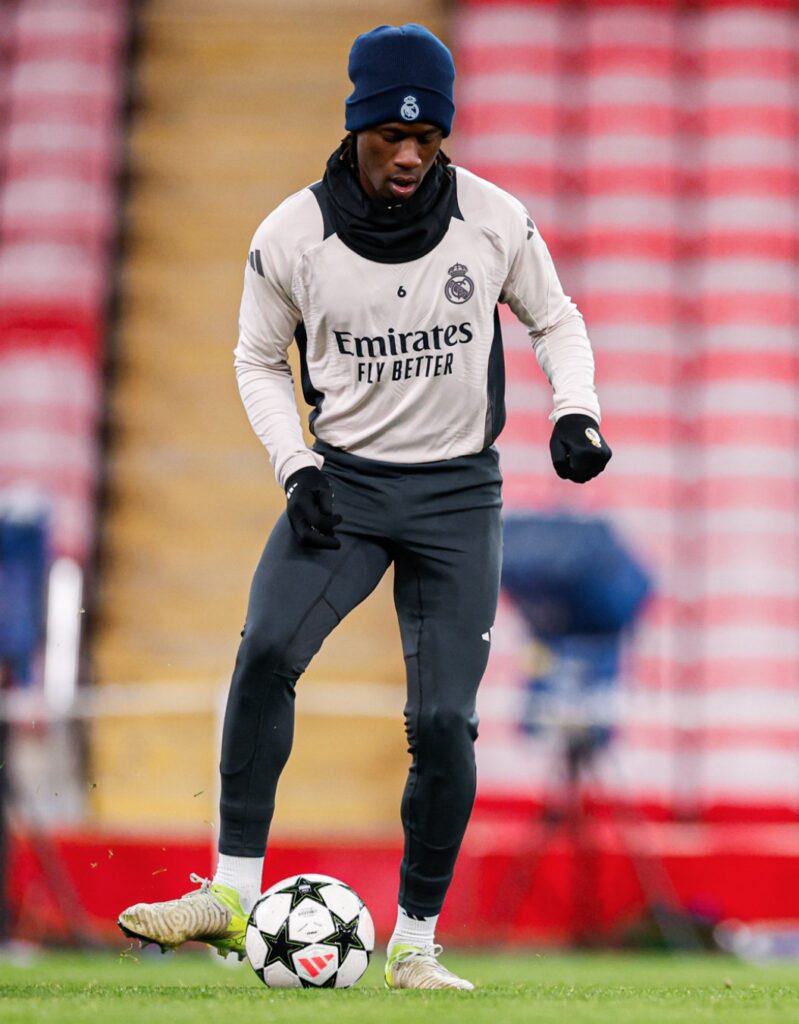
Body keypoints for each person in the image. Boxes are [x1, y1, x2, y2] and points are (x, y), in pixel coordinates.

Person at [117, 23, 611, 990]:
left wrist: (576, 409)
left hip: (458, 495)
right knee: (266, 650)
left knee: (443, 721)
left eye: (427, 138)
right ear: (356, 129)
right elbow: (257, 359)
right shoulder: (290, 237)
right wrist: (295, 465)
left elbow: (555, 319)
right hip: (344, 485)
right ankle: (230, 895)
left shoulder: (494, 220)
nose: (410, 155)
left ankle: (415, 945)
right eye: (392, 135)